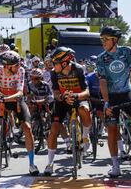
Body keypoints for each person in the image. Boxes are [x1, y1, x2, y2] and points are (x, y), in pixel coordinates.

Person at [96, 26, 131, 178]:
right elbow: (102, 83)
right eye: (101, 39)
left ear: (115, 40)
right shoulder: (101, 58)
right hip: (111, 96)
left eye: (105, 39)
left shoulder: (126, 51)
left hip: (127, 92)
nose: (103, 42)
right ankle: (115, 166)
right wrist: (107, 103)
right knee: (112, 129)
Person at [0, 50, 39, 176]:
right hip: (0, 97)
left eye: (19, 63)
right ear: (7, 66)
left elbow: (20, 92)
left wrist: (7, 99)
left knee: (27, 128)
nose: (19, 66)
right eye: (16, 64)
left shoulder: (20, 71)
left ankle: (31, 164)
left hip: (16, 100)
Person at [44, 47, 92, 176]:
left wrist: (76, 96)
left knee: (84, 109)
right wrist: (61, 97)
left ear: (64, 62)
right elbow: (55, 91)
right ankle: (50, 163)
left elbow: (87, 91)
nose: (53, 66)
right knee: (54, 128)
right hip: (62, 99)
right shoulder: (54, 73)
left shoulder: (78, 69)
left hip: (78, 97)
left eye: (55, 63)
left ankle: (86, 136)